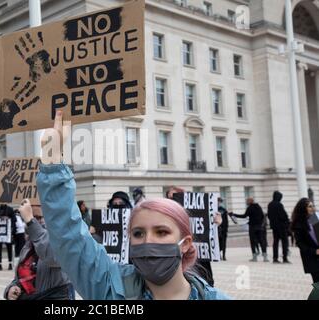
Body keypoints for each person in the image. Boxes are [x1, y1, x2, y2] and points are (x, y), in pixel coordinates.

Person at [34, 111, 230, 300]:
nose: (148, 241)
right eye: (138, 233)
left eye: (161, 232)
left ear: (185, 243)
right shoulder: (110, 288)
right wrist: (52, 160)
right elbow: (69, 240)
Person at [4, 199, 74, 300]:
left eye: (39, 217)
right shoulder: (28, 243)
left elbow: (52, 257)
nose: (35, 221)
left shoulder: (61, 236)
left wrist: (31, 222)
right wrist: (12, 288)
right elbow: (23, 276)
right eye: (32, 216)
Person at [231, 197, 269, 262]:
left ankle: (254, 257)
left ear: (249, 202)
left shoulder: (250, 208)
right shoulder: (259, 207)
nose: (246, 202)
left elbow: (244, 216)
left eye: (246, 201)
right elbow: (262, 216)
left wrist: (234, 214)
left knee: (253, 242)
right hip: (260, 227)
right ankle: (265, 257)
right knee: (262, 241)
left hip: (252, 227)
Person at [290, 198, 319, 283]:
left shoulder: (314, 219)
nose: (313, 208)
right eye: (310, 206)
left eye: (313, 206)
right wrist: (314, 251)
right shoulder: (299, 224)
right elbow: (300, 244)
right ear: (303, 208)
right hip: (312, 259)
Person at [268, 191, 291, 263]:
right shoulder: (279, 205)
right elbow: (283, 216)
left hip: (274, 226)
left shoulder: (270, 204)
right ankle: (285, 258)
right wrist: (287, 222)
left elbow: (269, 215)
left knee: (276, 242)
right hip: (281, 226)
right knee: (285, 242)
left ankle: (275, 258)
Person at [0, 204, 17, 270]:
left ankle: (10, 264)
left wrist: (8, 219)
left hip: (8, 231)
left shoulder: (10, 209)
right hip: (0, 231)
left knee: (9, 247)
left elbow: (14, 219)